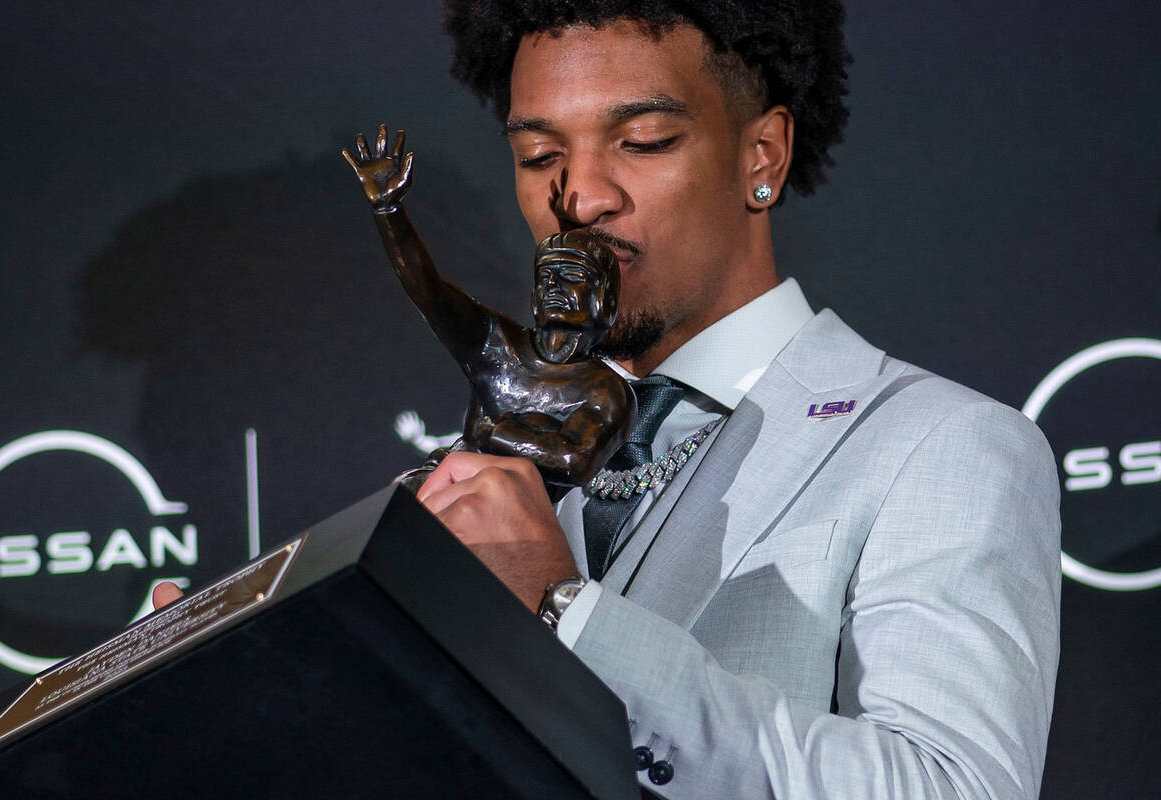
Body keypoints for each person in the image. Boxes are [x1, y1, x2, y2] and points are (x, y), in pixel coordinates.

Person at [412, 2, 1062, 798]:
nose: (578, 198)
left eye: (642, 142)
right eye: (538, 153)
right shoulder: (496, 461)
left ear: (764, 155)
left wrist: (566, 609)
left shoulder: (942, 447)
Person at [342, 128, 636, 491]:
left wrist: (498, 433)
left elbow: (573, 460)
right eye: (546, 277)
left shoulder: (605, 391)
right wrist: (389, 212)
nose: (553, 288)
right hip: (441, 491)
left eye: (570, 275)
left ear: (602, 300)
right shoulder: (495, 343)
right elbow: (428, 291)